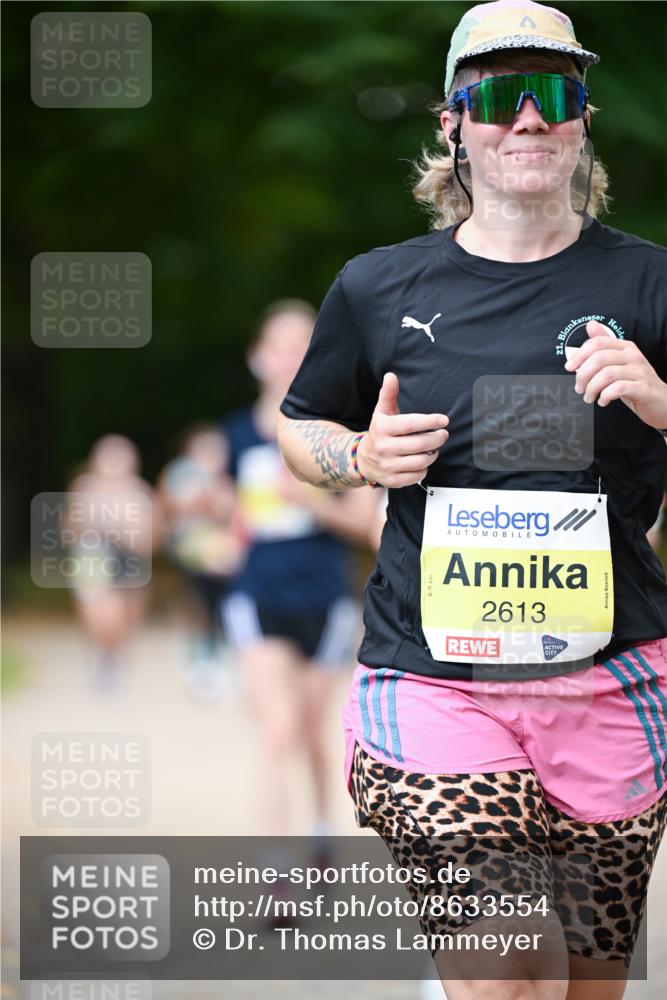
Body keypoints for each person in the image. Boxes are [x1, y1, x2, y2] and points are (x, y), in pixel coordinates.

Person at [276, 3, 667, 998]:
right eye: (499, 97)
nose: (528, 119)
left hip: (610, 674)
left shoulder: (650, 281)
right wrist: (359, 453)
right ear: (453, 124)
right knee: (504, 965)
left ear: (581, 122)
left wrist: (661, 403)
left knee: (587, 981)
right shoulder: (375, 287)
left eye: (555, 95)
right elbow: (298, 432)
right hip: (433, 678)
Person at [220, 299, 378, 845]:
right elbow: (211, 526)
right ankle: (276, 865)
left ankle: (318, 832)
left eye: (301, 347)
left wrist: (311, 503)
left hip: (324, 597)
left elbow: (366, 525)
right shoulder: (234, 436)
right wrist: (216, 531)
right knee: (278, 728)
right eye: (279, 347)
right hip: (256, 594)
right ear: (257, 358)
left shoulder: (335, 435)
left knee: (312, 730)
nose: (289, 357)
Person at [158, 425, 245, 698]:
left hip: (221, 550)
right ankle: (201, 661)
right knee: (201, 604)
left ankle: (217, 659)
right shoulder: (180, 476)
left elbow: (231, 512)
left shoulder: (226, 481)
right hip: (193, 550)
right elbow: (173, 509)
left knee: (219, 604)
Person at [66, 434, 156, 690]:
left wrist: (129, 534)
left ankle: (115, 657)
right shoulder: (84, 487)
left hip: (130, 559)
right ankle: (104, 656)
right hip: (93, 556)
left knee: (125, 616)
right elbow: (70, 528)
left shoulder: (140, 491)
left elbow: (151, 537)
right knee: (99, 613)